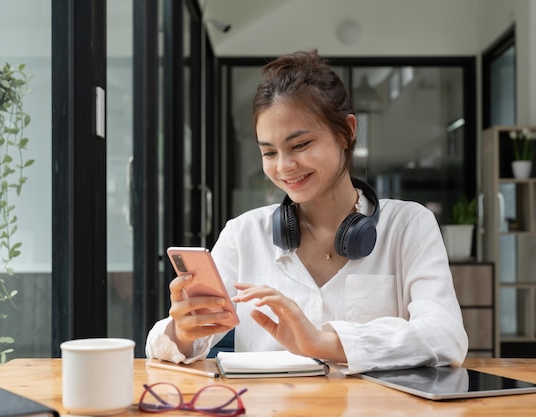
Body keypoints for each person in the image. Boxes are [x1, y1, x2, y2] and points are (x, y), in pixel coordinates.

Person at [146, 49, 468, 374]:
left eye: (299, 145)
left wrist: (324, 342)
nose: (284, 166)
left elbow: (445, 335)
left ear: (347, 132)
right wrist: (183, 332)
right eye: (269, 152)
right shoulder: (243, 234)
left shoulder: (408, 225)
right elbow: (166, 344)